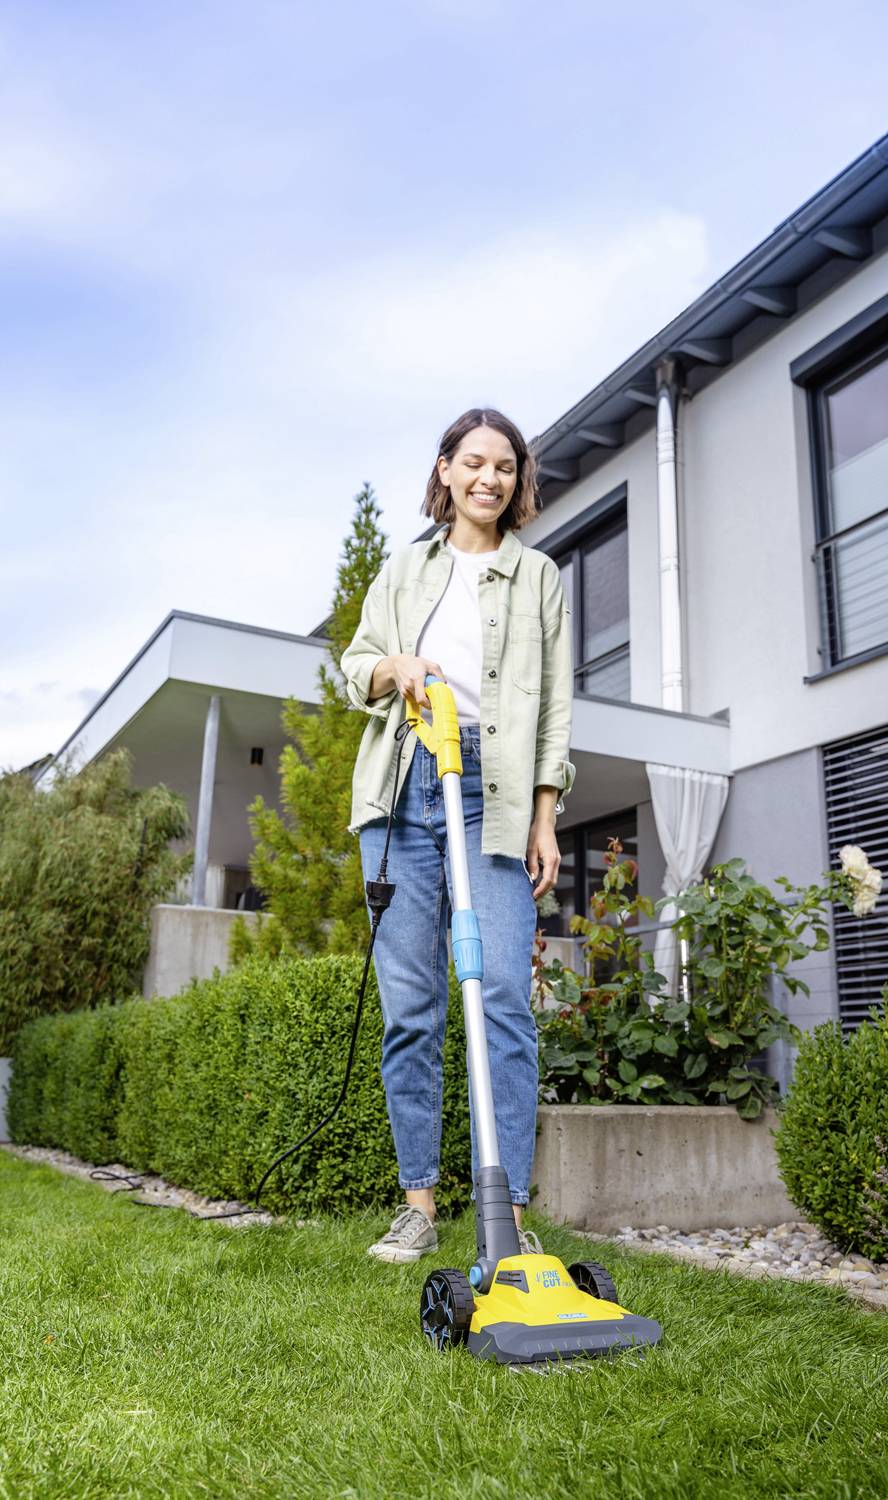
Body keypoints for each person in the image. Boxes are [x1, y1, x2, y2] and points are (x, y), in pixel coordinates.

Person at [340, 407, 575, 1263]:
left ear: (518, 481)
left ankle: (507, 1209)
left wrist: (546, 814)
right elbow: (353, 667)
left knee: (505, 997)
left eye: (504, 467)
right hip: (404, 792)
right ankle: (418, 1205)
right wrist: (394, 667)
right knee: (412, 1007)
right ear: (444, 471)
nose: (489, 478)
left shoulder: (539, 575)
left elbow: (554, 708)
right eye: (472, 462)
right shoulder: (405, 570)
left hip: (496, 795)